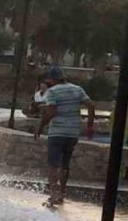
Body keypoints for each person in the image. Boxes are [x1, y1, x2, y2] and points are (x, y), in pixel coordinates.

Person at [35, 65, 97, 207]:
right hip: (72, 133)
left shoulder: (52, 92)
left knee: (52, 165)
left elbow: (51, 112)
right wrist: (89, 126)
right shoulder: (77, 89)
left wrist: (40, 126)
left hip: (57, 133)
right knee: (65, 164)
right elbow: (92, 105)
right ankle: (62, 194)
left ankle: (53, 195)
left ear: (51, 79)